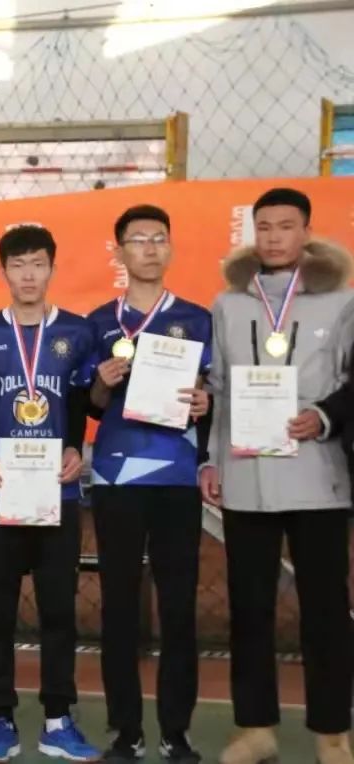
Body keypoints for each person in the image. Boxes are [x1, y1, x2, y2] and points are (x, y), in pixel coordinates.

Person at [200, 188, 354, 764]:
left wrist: (324, 416)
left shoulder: (342, 302)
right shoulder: (227, 304)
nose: (272, 237)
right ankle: (256, 729)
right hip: (246, 478)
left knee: (325, 613)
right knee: (250, 610)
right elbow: (217, 390)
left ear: (306, 232)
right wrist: (210, 459)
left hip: (318, 476)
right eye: (263, 226)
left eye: (285, 226)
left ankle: (332, 733)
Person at [0, 224, 101, 763]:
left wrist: (75, 448)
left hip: (55, 493)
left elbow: (81, 402)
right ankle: (0, 718)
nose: (28, 274)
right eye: (18, 265)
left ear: (52, 268)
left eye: (37, 264)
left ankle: (57, 719)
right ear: (3, 271)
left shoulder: (77, 332)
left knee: (58, 613)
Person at [86, 205, 212, 763]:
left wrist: (206, 402)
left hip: (177, 476)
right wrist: (100, 382)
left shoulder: (197, 318)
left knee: (179, 607)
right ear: (119, 252)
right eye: (138, 239)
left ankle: (175, 730)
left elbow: (210, 394)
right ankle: (126, 730)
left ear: (171, 248)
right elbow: (90, 406)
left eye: (159, 238)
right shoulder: (97, 322)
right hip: (116, 476)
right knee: (118, 605)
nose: (149, 248)